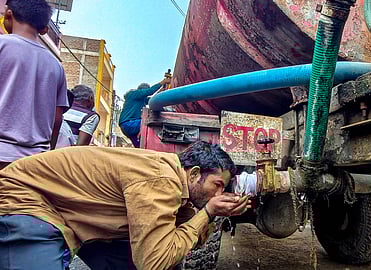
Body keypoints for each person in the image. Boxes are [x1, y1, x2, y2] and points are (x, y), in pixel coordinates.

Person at [0, 141, 249, 270]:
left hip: (72, 214)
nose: (219, 193)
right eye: (217, 185)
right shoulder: (162, 180)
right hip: (27, 201)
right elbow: (154, 263)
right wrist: (207, 212)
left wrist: (213, 215)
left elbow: (181, 237)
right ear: (194, 174)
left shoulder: (177, 185)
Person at [0, 0, 69, 169]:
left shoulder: (3, 45)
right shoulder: (56, 66)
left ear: (8, 13)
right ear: (44, 28)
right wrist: (48, 152)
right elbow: (57, 118)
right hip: (34, 161)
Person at [119, 78, 171, 148]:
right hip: (130, 123)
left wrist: (161, 91)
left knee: (141, 147)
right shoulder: (134, 94)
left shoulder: (140, 99)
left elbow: (152, 100)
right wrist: (162, 82)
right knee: (151, 123)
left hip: (126, 126)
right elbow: (149, 91)